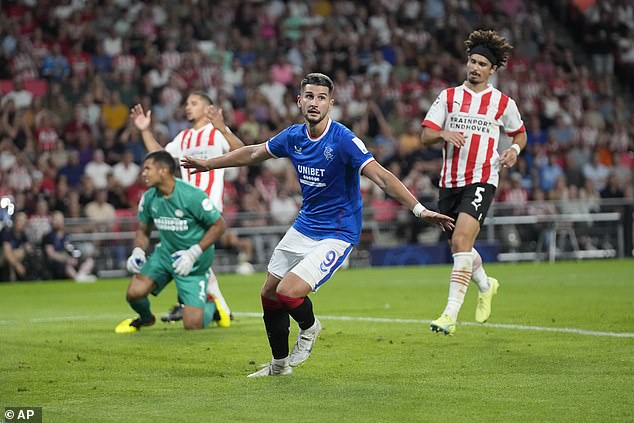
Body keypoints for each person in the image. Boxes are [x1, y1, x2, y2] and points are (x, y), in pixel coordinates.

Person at [182, 73, 454, 377]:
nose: (314, 103)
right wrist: (208, 164)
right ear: (299, 101)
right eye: (309, 96)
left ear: (331, 104)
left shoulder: (344, 140)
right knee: (268, 294)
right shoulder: (294, 137)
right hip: (304, 225)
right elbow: (254, 152)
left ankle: (310, 327)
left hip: (338, 233)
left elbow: (381, 176)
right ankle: (279, 366)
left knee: (288, 292)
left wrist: (419, 209)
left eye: (321, 97)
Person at [420, 30, 527, 335]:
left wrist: (514, 150)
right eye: (472, 61)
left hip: (483, 178)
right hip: (449, 182)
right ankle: (486, 284)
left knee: (460, 242)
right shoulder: (449, 97)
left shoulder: (502, 103)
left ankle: (449, 315)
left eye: (482, 63)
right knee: (461, 246)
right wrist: (442, 133)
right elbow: (425, 134)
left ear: (492, 70)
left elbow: (520, 134)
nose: (475, 67)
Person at [130, 91, 244, 327]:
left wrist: (223, 129)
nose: (187, 107)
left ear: (208, 108)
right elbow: (160, 158)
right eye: (186, 103)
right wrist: (144, 130)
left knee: (195, 259)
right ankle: (208, 307)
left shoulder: (215, 133)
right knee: (194, 261)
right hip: (181, 208)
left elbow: (242, 152)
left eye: (194, 103)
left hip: (207, 209)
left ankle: (203, 306)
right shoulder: (183, 138)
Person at [115, 150, 226, 333]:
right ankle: (146, 319)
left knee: (192, 325)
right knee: (134, 293)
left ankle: (212, 307)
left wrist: (193, 253)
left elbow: (219, 225)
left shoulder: (192, 196)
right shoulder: (149, 197)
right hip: (165, 255)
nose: (143, 173)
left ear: (163, 170)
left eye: (147, 169)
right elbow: (144, 229)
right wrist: (138, 251)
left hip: (194, 262)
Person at [42, 211, 96, 282]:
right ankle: (77, 278)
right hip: (57, 263)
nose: (59, 222)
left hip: (69, 259)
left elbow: (72, 249)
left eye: (60, 220)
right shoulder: (48, 236)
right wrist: (66, 259)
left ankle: (80, 275)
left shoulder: (66, 236)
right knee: (67, 266)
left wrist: (76, 258)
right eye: (56, 220)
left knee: (89, 261)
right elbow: (51, 254)